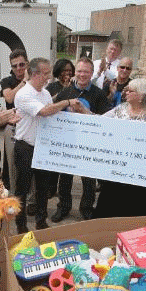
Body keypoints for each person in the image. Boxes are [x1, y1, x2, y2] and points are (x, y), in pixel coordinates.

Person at [13, 57, 84, 233]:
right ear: (35, 74)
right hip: (25, 147)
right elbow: (44, 112)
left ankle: (41, 221)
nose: (49, 77)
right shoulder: (23, 94)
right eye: (46, 74)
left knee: (43, 188)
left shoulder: (45, 93)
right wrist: (66, 102)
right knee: (22, 188)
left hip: (43, 147)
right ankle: (20, 224)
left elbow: (53, 115)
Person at [52, 57, 112, 222]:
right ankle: (63, 207)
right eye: (79, 71)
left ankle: (86, 208)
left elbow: (105, 120)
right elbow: (53, 113)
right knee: (64, 177)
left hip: (89, 144)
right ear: (74, 72)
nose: (82, 74)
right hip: (68, 142)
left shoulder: (99, 94)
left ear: (92, 73)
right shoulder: (66, 92)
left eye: (86, 71)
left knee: (89, 180)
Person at [95, 78, 146, 218]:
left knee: (133, 205)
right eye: (126, 89)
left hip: (137, 170)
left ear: (141, 95)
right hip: (117, 166)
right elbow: (100, 121)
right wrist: (83, 111)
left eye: (131, 90)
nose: (126, 92)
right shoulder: (120, 109)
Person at [45, 58, 75, 197]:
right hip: (54, 128)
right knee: (53, 163)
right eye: (64, 70)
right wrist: (64, 90)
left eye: (69, 70)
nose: (67, 73)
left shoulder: (75, 86)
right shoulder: (51, 87)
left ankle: (64, 193)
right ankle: (51, 188)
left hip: (70, 130)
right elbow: (49, 103)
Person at [0, 49, 29, 192]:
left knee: (29, 164)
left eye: (22, 65)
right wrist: (24, 81)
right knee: (11, 163)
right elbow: (9, 98)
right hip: (13, 128)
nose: (18, 68)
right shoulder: (6, 81)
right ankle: (12, 194)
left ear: (27, 64)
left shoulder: (35, 80)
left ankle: (30, 198)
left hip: (30, 128)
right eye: (14, 66)